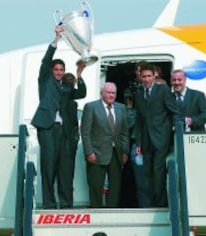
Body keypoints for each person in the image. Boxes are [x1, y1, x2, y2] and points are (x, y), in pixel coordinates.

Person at [31, 25, 87, 209]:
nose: (58, 72)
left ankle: (66, 203)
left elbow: (81, 94)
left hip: (64, 132)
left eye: (61, 70)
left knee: (65, 169)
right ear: (52, 70)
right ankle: (49, 204)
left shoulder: (66, 87)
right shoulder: (45, 81)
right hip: (47, 129)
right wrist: (56, 39)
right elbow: (46, 61)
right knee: (49, 167)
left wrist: (79, 75)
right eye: (56, 69)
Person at [134, 63, 181, 207]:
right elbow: (138, 121)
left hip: (161, 138)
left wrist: (174, 128)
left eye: (149, 76)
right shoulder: (138, 94)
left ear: (154, 76)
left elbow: (175, 111)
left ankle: (160, 204)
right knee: (147, 173)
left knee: (158, 172)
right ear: (140, 77)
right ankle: (152, 202)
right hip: (146, 140)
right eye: (144, 76)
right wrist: (138, 143)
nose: (146, 79)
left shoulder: (163, 90)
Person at [81, 82, 129, 208]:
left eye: (113, 93)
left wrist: (125, 151)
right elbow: (85, 132)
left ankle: (112, 210)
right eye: (108, 92)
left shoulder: (121, 108)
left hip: (116, 152)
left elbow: (125, 132)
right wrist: (88, 152)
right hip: (96, 152)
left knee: (115, 185)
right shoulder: (91, 107)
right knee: (96, 185)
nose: (111, 95)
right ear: (102, 93)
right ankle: (96, 210)